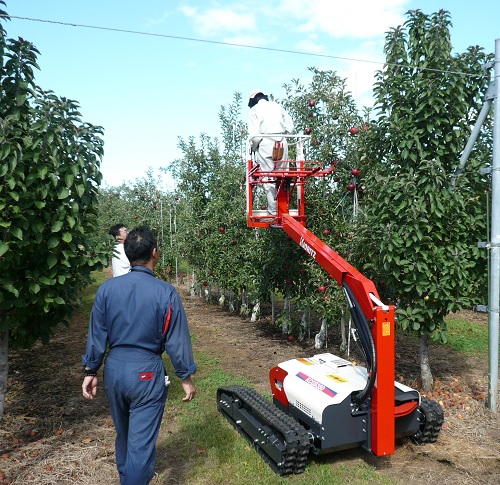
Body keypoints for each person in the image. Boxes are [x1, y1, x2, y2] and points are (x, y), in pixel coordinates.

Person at [82, 226, 197, 485]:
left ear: (126, 251)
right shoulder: (165, 292)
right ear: (154, 253)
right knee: (140, 446)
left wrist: (91, 371)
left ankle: (126, 477)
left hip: (115, 370)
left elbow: (97, 334)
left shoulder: (107, 290)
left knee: (124, 434)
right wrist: (186, 376)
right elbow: (177, 339)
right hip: (146, 372)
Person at [248, 89, 294, 216]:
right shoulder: (277, 106)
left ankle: (273, 210)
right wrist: (283, 135)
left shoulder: (255, 110)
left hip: (265, 143)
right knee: (283, 175)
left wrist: (254, 147)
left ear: (253, 100)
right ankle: (284, 209)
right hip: (281, 142)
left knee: (268, 177)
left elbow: (255, 135)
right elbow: (290, 126)